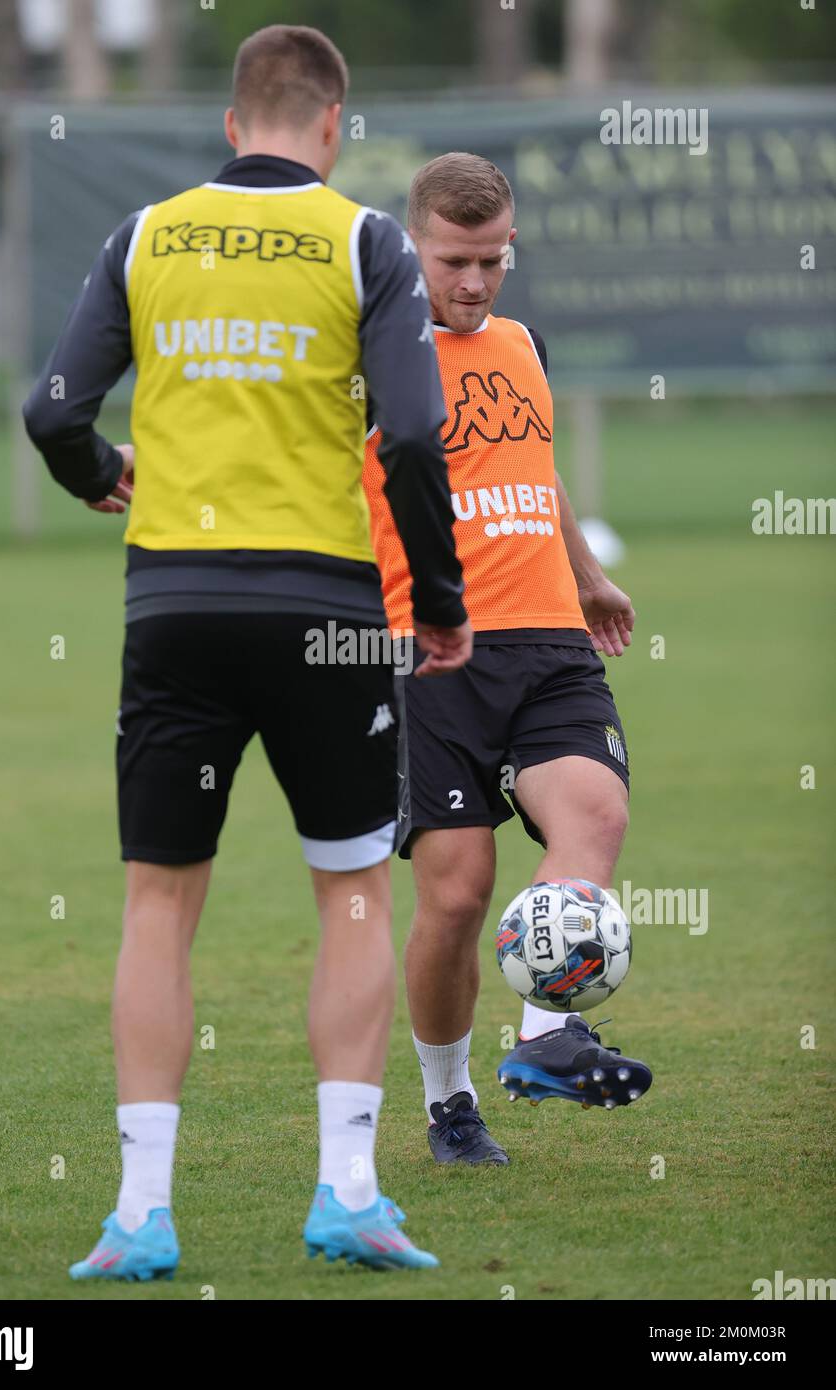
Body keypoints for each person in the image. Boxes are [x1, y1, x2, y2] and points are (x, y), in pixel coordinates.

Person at [23, 26, 472, 1278]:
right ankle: (346, 1192)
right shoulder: (365, 239)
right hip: (326, 612)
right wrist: (436, 601)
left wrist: (99, 470)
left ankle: (139, 1213)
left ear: (232, 127)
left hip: (173, 605)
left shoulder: (146, 234)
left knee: (158, 904)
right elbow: (416, 441)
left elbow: (53, 408)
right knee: (352, 894)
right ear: (333, 127)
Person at [362, 153, 651, 1167]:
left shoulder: (522, 343)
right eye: (454, 261)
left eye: (493, 259)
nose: (475, 282)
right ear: (414, 248)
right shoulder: (375, 357)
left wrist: (587, 574)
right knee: (457, 892)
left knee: (597, 812)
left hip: (550, 638)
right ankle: (449, 1104)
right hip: (432, 651)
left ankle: (542, 1034)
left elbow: (534, 465)